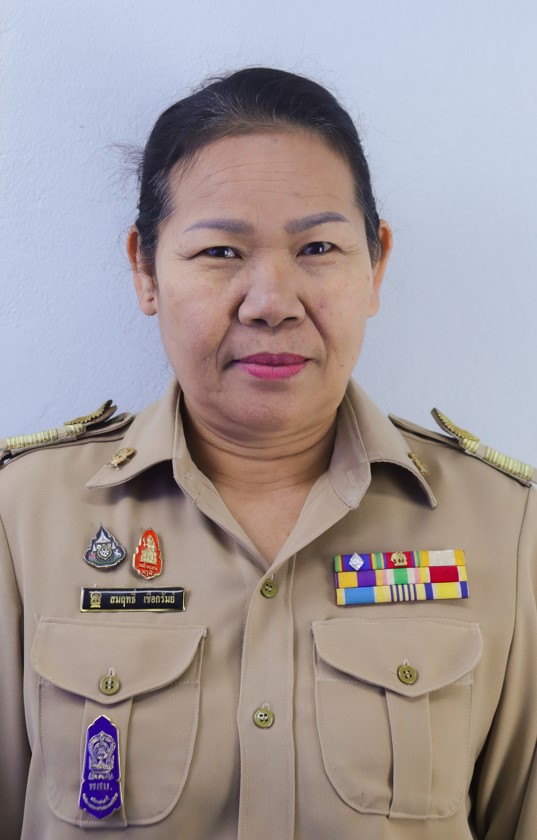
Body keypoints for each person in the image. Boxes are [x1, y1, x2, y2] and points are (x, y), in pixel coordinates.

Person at [1, 67, 536, 840]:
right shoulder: (23, 518)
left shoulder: (505, 527)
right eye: (220, 251)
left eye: (317, 247)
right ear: (145, 269)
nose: (272, 302)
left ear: (375, 265)